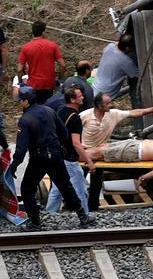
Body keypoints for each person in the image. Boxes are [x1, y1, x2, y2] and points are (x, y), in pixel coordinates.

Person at [8, 87, 96, 230]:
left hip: (39, 158)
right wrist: (62, 148)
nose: (19, 104)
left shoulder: (25, 120)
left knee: (27, 189)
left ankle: (36, 222)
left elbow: (21, 149)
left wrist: (14, 166)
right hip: (56, 155)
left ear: (25, 101)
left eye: (20, 101)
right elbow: (64, 133)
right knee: (66, 186)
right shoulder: (49, 111)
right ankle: (83, 216)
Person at [80, 92, 153, 211]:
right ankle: (74, 206)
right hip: (84, 153)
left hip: (101, 153)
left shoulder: (113, 114)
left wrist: (152, 109)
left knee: (97, 183)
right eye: (107, 103)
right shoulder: (84, 115)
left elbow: (134, 113)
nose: (111, 105)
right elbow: (72, 131)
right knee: (78, 180)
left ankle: (93, 208)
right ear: (99, 105)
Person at [45, 87, 96, 214]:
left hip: (58, 156)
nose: (83, 97)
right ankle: (84, 215)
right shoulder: (75, 118)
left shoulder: (61, 111)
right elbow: (76, 143)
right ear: (73, 100)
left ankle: (50, 214)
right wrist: (89, 161)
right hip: (69, 159)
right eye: (80, 96)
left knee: (57, 188)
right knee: (80, 189)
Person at [91, 34, 140, 127]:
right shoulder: (125, 61)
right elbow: (138, 74)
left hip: (95, 85)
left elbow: (116, 44)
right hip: (105, 92)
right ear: (127, 48)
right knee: (96, 118)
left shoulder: (110, 46)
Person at [16, 21, 65, 104]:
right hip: (48, 83)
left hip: (33, 84)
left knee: (32, 107)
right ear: (43, 32)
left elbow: (19, 69)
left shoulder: (25, 47)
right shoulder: (52, 45)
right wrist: (60, 79)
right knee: (47, 107)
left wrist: (21, 83)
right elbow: (62, 65)